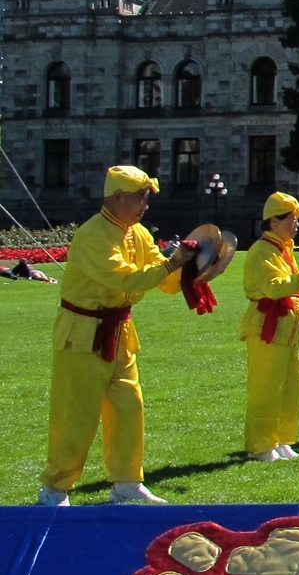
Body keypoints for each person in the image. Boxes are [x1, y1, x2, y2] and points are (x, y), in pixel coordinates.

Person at [41, 166, 195, 505]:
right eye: (141, 198)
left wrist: (195, 269)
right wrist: (172, 264)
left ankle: (126, 484)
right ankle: (54, 489)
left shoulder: (138, 233)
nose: (145, 206)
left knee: (129, 408)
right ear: (118, 197)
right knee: (75, 415)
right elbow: (125, 279)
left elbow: (163, 277)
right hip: (83, 333)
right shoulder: (93, 235)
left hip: (121, 332)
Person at [238, 192, 299, 461]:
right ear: (274, 221)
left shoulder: (283, 249)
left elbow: (296, 286)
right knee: (265, 389)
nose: (296, 225)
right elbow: (275, 288)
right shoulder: (262, 251)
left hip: (287, 330)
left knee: (292, 388)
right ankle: (261, 446)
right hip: (266, 329)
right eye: (292, 219)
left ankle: (283, 440)